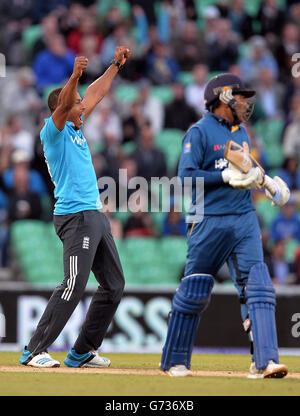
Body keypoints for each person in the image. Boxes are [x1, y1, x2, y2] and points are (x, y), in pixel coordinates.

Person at [160, 73, 290, 378]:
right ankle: (175, 360)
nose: (245, 103)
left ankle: (265, 360)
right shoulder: (198, 132)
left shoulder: (240, 132)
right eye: (240, 96)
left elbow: (247, 169)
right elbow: (186, 177)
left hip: (244, 218)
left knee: (257, 285)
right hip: (209, 221)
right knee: (195, 288)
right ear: (222, 99)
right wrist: (223, 177)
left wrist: (269, 184)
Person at [19, 46, 131, 368]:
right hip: (74, 217)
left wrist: (114, 65)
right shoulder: (51, 133)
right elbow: (72, 99)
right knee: (74, 284)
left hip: (94, 214)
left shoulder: (76, 124)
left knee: (114, 285)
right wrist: (74, 76)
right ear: (64, 108)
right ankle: (34, 350)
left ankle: (81, 351)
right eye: (78, 103)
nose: (85, 106)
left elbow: (96, 92)